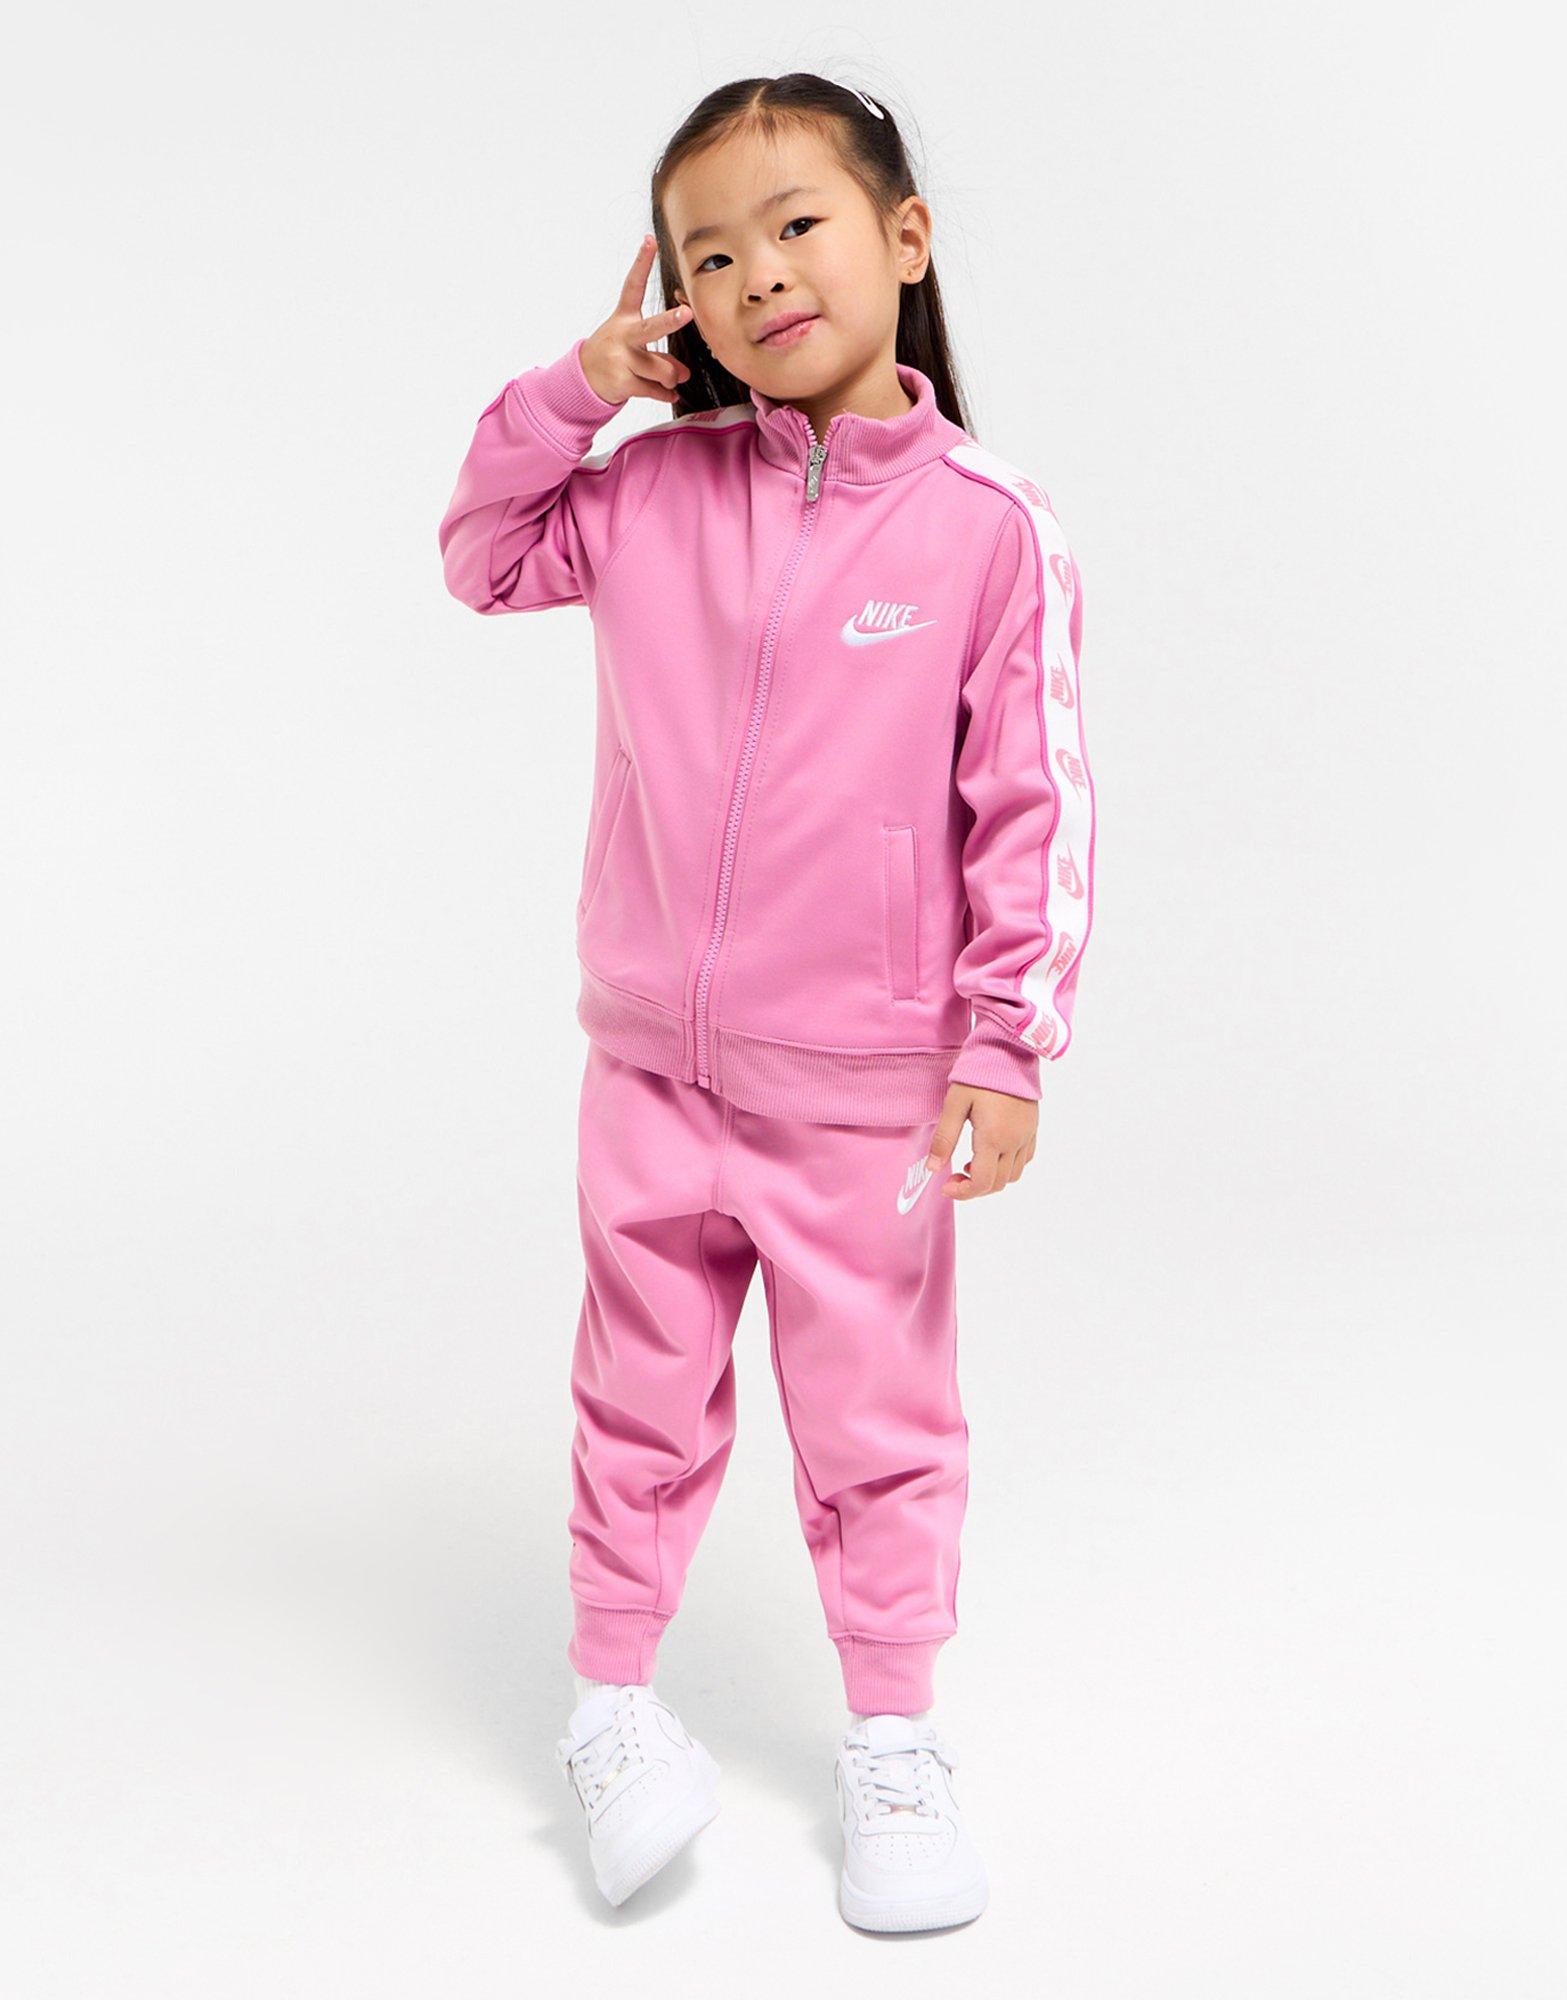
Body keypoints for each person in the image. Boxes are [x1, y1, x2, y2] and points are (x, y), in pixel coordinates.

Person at [436, 71, 1095, 1932]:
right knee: (634, 1395)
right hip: (652, 1067)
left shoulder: (987, 528)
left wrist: (1008, 1041)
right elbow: (483, 556)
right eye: (709, 255)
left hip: (866, 1089)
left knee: (876, 1421)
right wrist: (576, 391)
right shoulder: (644, 495)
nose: (757, 275)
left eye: (797, 225)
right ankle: (614, 1709)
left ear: (904, 238)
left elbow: (1032, 803)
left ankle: (893, 1740)